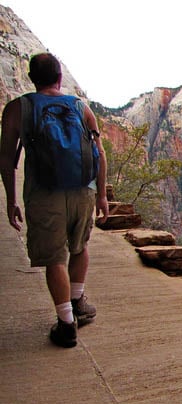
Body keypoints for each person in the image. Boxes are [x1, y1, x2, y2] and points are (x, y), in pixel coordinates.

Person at [0, 52, 109, 348]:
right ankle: (77, 301)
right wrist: (101, 195)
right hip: (83, 190)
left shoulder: (16, 109)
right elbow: (99, 154)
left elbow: (7, 159)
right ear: (60, 77)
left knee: (54, 258)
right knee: (79, 246)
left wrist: (11, 200)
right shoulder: (80, 107)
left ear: (31, 78)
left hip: (44, 193)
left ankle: (66, 323)